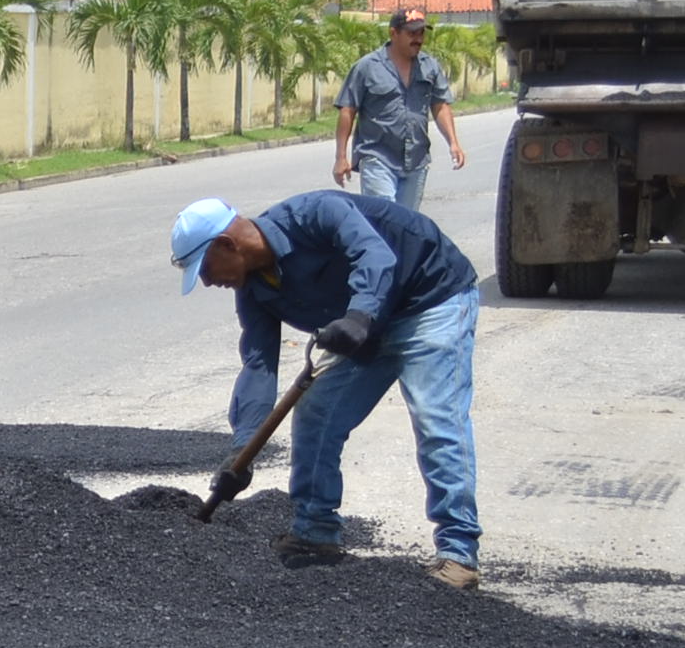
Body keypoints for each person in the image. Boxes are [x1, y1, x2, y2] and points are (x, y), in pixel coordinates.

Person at [172, 190, 486, 590]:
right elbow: (258, 363)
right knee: (316, 412)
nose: (207, 281)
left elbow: (374, 254)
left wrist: (359, 314)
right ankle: (315, 532)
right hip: (365, 328)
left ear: (227, 244)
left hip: (428, 299)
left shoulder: (315, 213)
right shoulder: (254, 289)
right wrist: (243, 447)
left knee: (435, 417)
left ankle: (458, 553)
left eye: (205, 268)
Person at [330, 5, 465, 209]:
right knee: (385, 218)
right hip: (377, 157)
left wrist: (453, 142)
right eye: (412, 33)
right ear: (393, 33)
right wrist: (341, 157)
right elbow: (348, 109)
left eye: (421, 33)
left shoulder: (429, 67)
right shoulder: (367, 67)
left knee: (406, 226)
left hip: (416, 161)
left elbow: (440, 106)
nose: (418, 39)